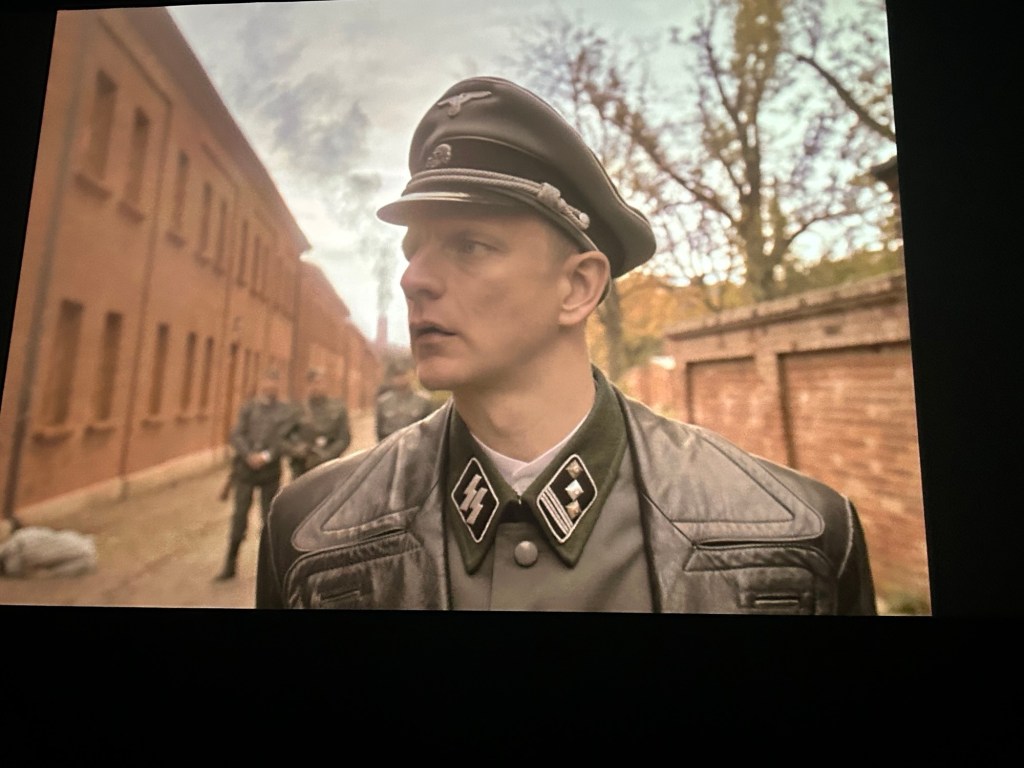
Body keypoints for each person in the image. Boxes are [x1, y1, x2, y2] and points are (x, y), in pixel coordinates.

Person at [256, 76, 876, 613]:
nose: (413, 279)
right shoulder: (310, 534)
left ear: (578, 287)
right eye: (413, 250)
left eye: (469, 245)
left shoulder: (795, 539)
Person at [215, 368, 297, 581]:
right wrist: (248, 455)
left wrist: (267, 456)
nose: (270, 386)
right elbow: (236, 434)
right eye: (267, 382)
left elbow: (284, 439)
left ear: (278, 386)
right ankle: (230, 565)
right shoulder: (248, 408)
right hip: (245, 471)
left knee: (268, 519)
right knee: (239, 517)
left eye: (274, 383)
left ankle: (269, 570)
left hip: (269, 473)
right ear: (261, 383)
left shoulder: (286, 411)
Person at [285, 368, 352, 479]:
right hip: (302, 468)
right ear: (307, 386)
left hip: (330, 467)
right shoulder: (297, 409)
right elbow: (284, 438)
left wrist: (327, 455)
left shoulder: (338, 408)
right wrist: (297, 449)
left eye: (319, 383)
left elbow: (344, 438)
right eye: (312, 383)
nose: (316, 387)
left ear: (326, 384)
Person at [374, 358, 437, 442]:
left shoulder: (423, 401)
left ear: (411, 376)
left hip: (416, 445)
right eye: (397, 376)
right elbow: (379, 431)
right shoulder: (383, 402)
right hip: (390, 445)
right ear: (392, 379)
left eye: (403, 375)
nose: (400, 379)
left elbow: (429, 430)